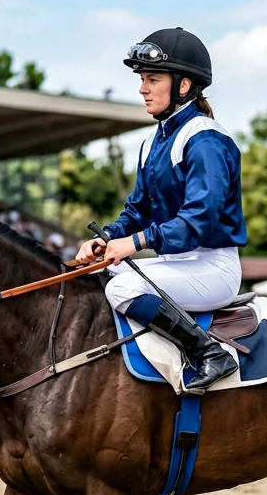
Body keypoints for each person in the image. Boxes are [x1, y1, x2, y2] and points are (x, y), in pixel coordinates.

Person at [73, 27, 244, 392]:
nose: (142, 89)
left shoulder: (206, 138)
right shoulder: (152, 142)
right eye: (142, 79)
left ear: (184, 86)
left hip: (213, 267)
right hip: (176, 265)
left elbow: (198, 221)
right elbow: (137, 211)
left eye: (152, 79)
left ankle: (209, 351)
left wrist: (134, 243)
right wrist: (108, 238)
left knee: (123, 288)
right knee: (101, 275)